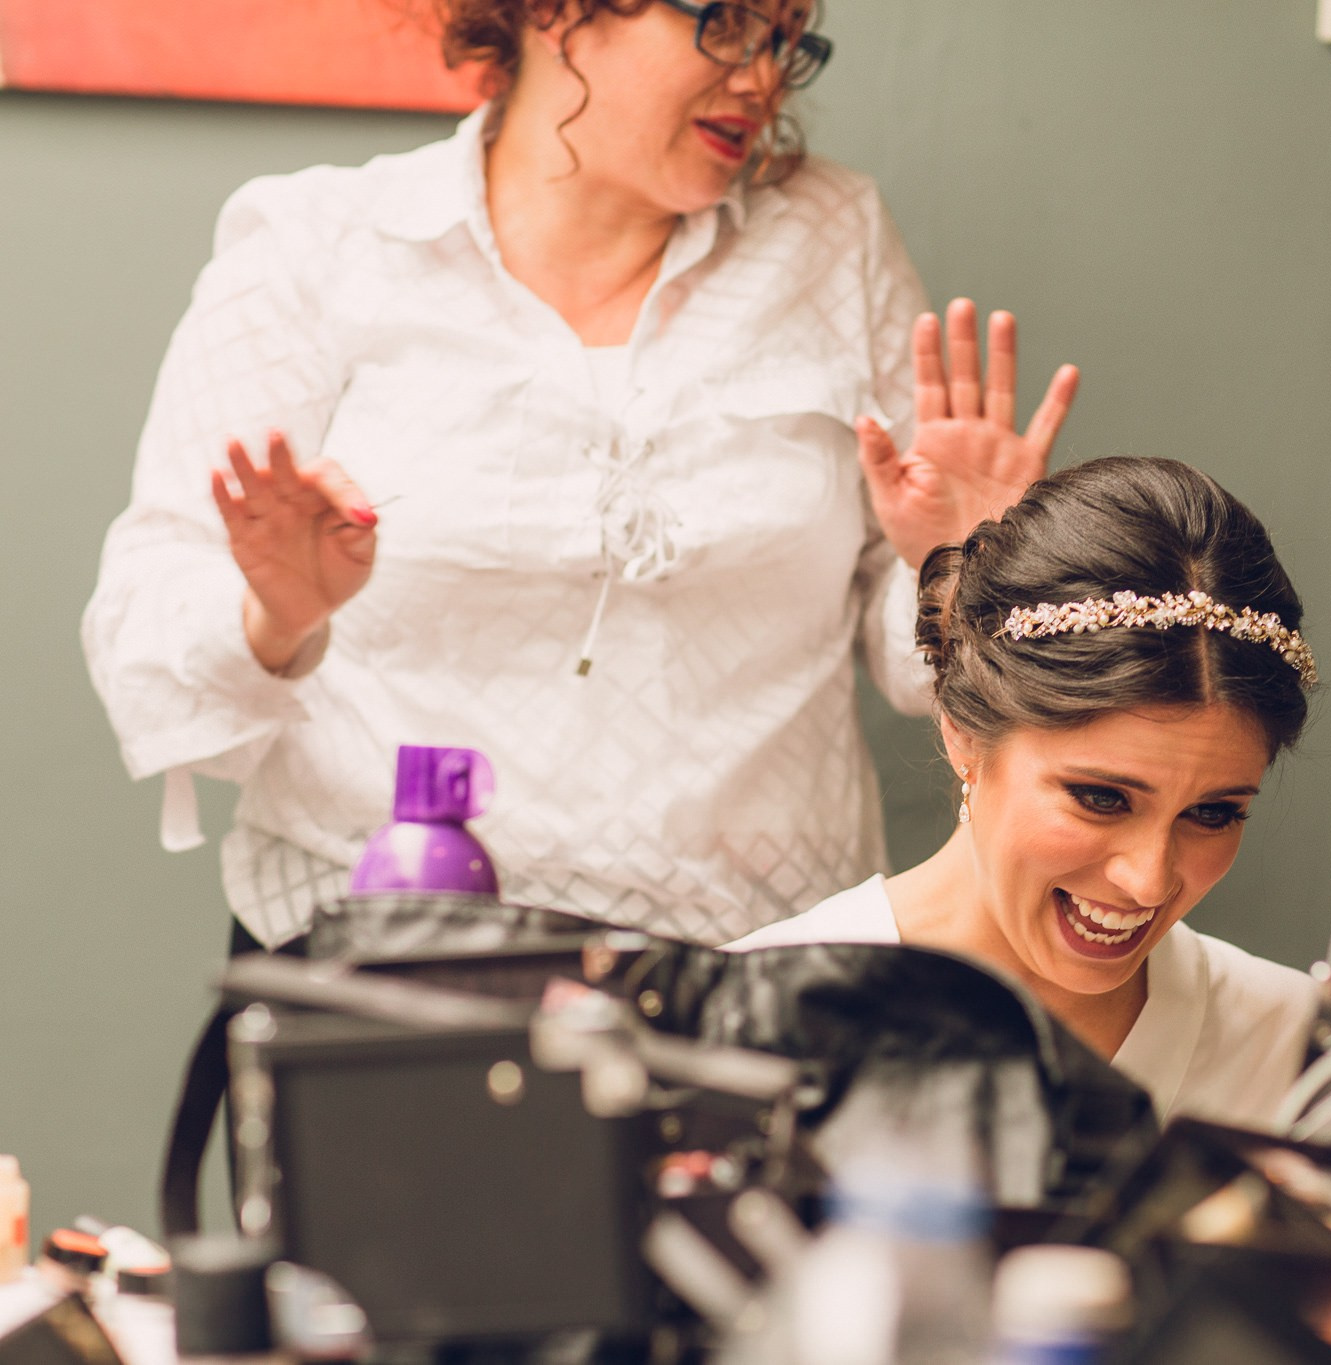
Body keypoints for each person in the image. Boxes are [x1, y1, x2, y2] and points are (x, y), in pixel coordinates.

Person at [81, 0, 1078, 949]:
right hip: (380, 975)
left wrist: (967, 564)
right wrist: (275, 617)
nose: (766, 75)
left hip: (758, 983)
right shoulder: (316, 247)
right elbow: (144, 640)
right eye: (725, 22)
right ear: (553, 12)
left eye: (786, 37)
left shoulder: (832, 237)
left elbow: (918, 672)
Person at [729, 458, 1322, 1129]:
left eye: (1213, 812)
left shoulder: (1303, 1058)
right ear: (964, 737)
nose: (1149, 880)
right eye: (1102, 797)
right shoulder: (749, 1023)